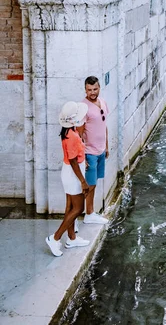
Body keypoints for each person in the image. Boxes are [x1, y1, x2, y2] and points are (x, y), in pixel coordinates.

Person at [46, 101, 90, 257]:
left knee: (70, 207)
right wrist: (83, 181)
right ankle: (55, 237)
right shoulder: (71, 135)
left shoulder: (67, 131)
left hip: (71, 171)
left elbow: (75, 157)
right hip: (73, 173)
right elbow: (72, 160)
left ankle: (72, 238)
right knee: (78, 209)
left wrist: (84, 162)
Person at [78, 76, 109, 225]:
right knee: (89, 184)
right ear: (85, 89)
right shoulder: (83, 108)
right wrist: (82, 157)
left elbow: (104, 126)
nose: (92, 92)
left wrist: (106, 147)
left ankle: (91, 212)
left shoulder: (102, 102)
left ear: (99, 88)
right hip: (89, 152)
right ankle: (88, 214)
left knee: (94, 182)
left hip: (101, 150)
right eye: (89, 90)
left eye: (95, 89)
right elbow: (79, 135)